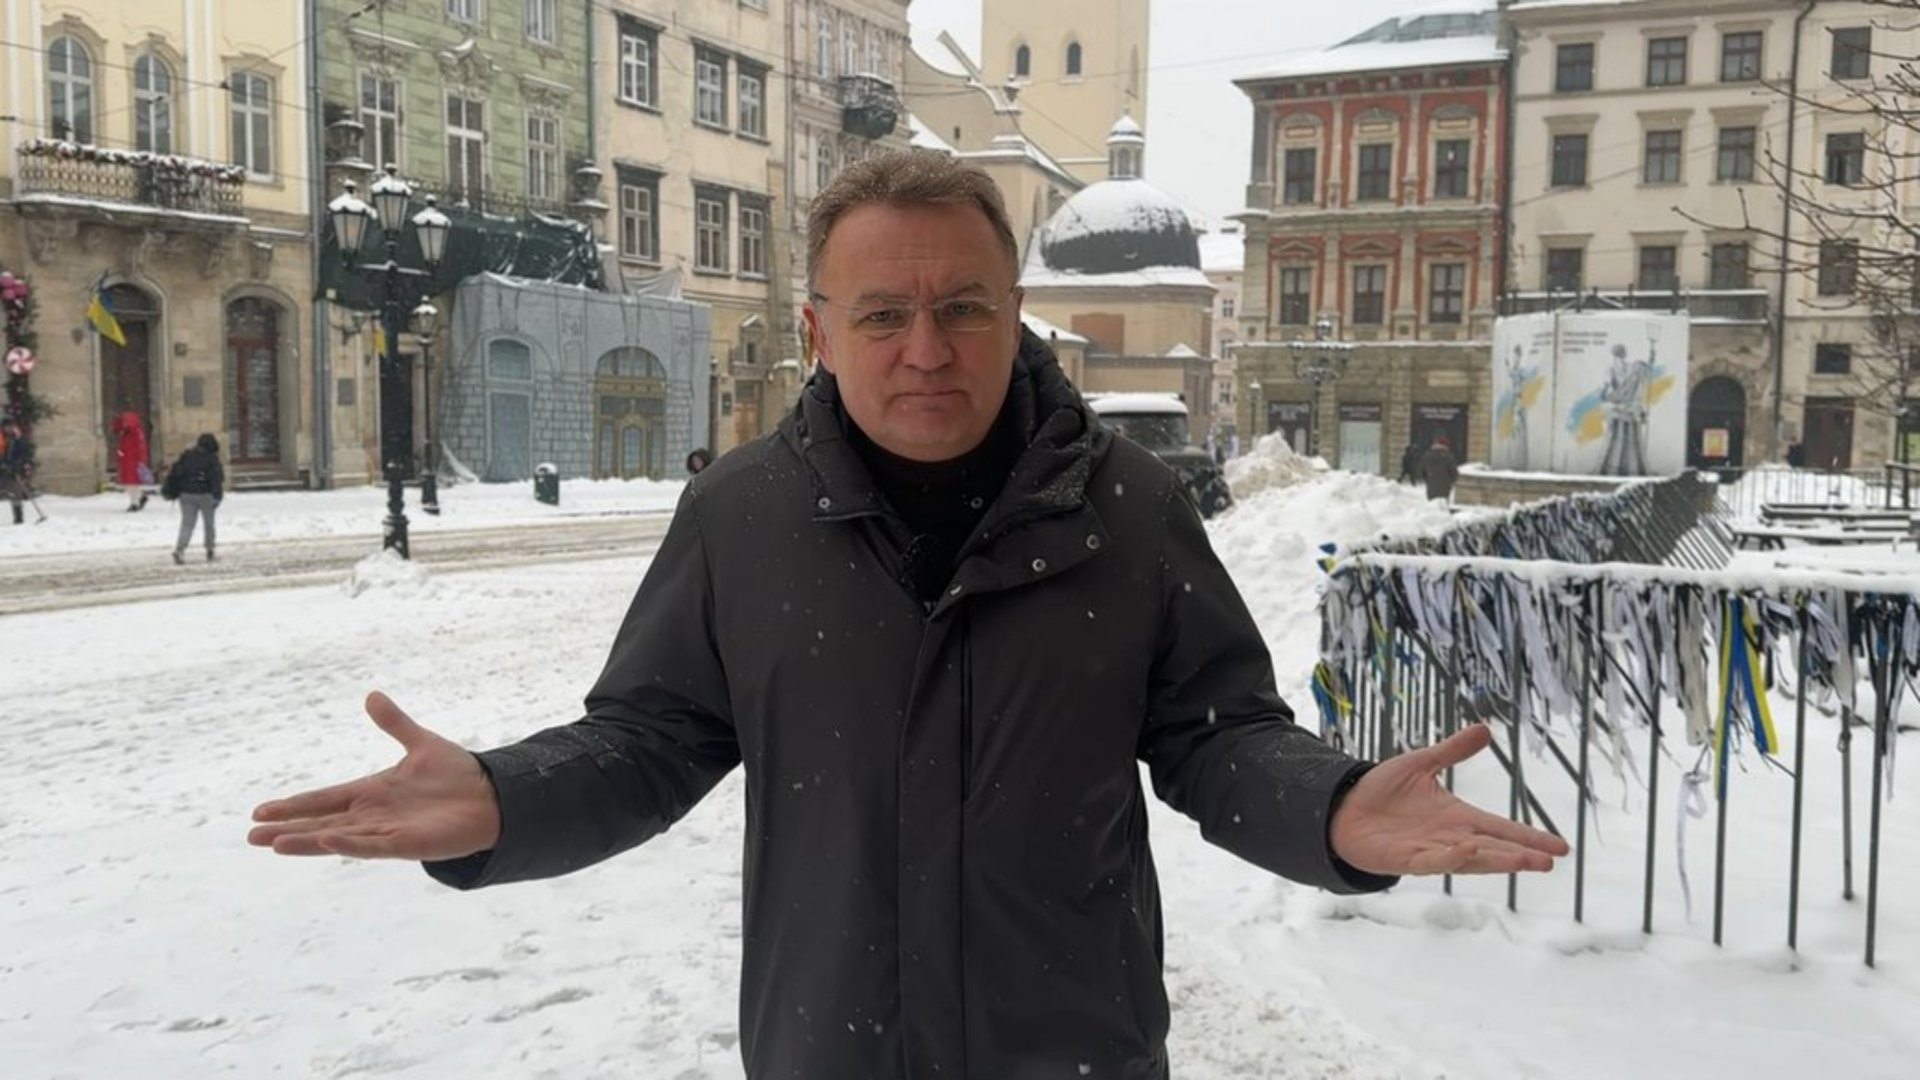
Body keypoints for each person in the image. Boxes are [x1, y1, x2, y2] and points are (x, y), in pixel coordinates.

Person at [249, 151, 1566, 1079]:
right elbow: (651, 739)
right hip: (829, 1052)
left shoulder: (1132, 507)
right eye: (883, 314)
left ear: (1013, 317)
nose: (925, 349)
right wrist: (505, 800)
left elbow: (1217, 736)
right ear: (820, 330)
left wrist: (1330, 810)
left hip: (1076, 1055)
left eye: (961, 308)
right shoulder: (740, 516)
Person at [161, 433, 223, 564]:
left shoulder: (187, 456)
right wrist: (217, 496)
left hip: (186, 494)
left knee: (187, 524)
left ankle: (180, 549)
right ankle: (210, 549)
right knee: (209, 524)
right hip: (206, 494)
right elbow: (216, 478)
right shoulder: (212, 459)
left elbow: (176, 473)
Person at [0, 418, 47, 525]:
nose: (9, 428)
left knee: (16, 492)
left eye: (10, 426)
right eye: (6, 426)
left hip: (12, 470)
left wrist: (18, 465)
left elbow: (24, 453)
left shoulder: (18, 438)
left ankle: (18, 518)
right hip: (2, 469)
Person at [110, 408, 151, 511]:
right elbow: (116, 429)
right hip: (127, 460)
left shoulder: (135, 432)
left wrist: (141, 460)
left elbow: (140, 447)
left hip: (133, 461)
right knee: (130, 483)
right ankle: (140, 497)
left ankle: (134, 503)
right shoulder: (127, 433)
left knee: (131, 483)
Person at [1424, 434, 1459, 503]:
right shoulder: (1448, 457)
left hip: (1431, 485)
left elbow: (1422, 470)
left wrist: (1428, 479)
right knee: (1442, 504)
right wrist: (1450, 481)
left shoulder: (1428, 455)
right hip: (1444, 486)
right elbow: (1454, 473)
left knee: (1431, 504)